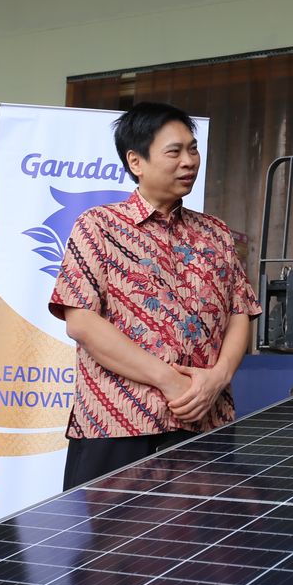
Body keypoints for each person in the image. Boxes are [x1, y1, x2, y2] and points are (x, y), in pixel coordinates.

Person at [50, 101, 261, 490]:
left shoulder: (215, 232)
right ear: (136, 161)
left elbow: (240, 312)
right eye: (174, 151)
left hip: (205, 423)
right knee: (114, 549)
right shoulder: (99, 226)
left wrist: (218, 378)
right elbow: (81, 322)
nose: (189, 161)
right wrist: (169, 380)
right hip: (117, 427)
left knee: (205, 548)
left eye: (192, 149)